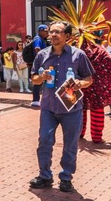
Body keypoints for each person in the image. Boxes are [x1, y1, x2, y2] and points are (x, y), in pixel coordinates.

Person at [29, 21, 94, 192]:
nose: (53, 35)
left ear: (67, 36)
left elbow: (89, 79)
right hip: (49, 107)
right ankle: (45, 176)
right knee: (45, 140)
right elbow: (33, 79)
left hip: (71, 108)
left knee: (70, 144)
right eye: (51, 32)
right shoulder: (42, 55)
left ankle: (66, 177)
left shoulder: (78, 55)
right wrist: (41, 77)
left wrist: (81, 83)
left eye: (58, 32)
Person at [78, 40, 111, 144]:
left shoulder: (77, 50)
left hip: (80, 84)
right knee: (97, 110)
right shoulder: (101, 51)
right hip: (97, 86)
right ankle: (97, 137)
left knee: (79, 110)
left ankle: (79, 133)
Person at [29, 25, 49, 106]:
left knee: (43, 80)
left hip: (41, 63)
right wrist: (43, 60)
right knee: (38, 81)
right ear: (41, 31)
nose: (47, 33)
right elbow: (37, 49)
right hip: (40, 64)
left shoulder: (42, 39)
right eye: (46, 31)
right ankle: (35, 100)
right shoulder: (38, 39)